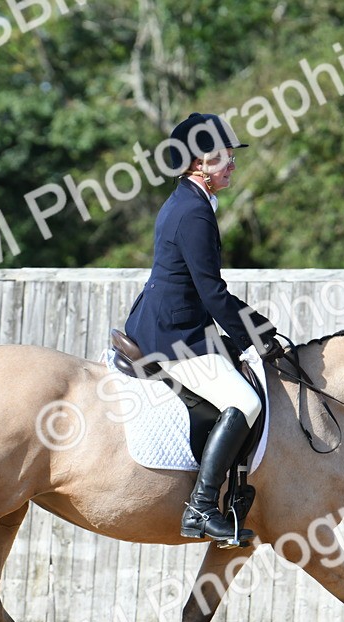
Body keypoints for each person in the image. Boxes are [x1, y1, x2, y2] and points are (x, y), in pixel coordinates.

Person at [124, 112, 284, 543]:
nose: (231, 164)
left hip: (177, 320)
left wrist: (255, 329)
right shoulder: (193, 211)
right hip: (172, 333)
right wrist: (257, 334)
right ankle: (198, 509)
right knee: (245, 401)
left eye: (232, 156)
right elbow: (213, 293)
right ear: (196, 164)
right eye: (222, 158)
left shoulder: (190, 201)